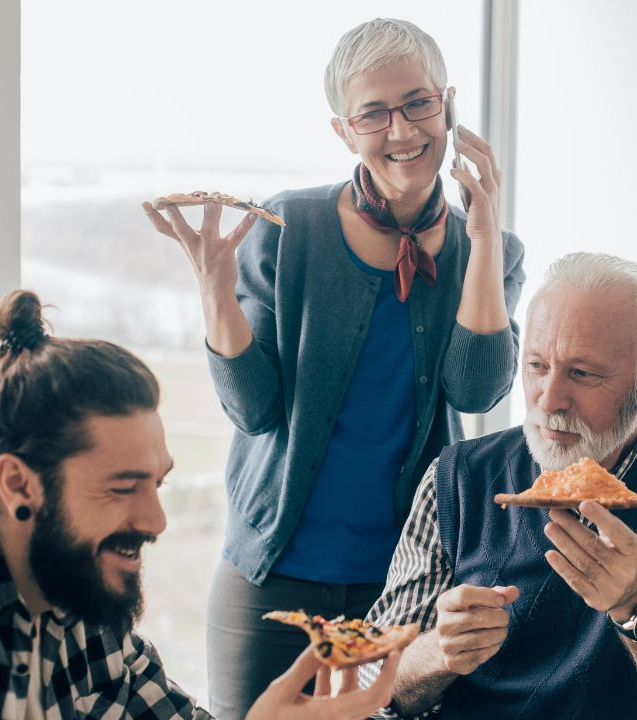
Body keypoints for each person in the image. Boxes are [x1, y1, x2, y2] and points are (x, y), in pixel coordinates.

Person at [141, 18, 524, 718]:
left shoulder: (491, 248)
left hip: (406, 579)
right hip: (272, 570)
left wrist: (486, 228)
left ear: (449, 104)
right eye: (373, 113)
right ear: (343, 131)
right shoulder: (291, 229)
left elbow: (476, 387)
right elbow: (255, 411)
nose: (402, 130)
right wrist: (214, 290)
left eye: (417, 103)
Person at [0, 290, 401, 719]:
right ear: (18, 484)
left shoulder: (78, 590)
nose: (156, 522)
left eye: (157, 484)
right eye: (122, 488)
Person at [358, 253, 637, 720]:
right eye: (536, 366)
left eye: (582, 373)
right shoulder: (457, 476)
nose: (549, 400)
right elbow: (366, 684)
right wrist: (437, 653)